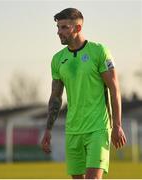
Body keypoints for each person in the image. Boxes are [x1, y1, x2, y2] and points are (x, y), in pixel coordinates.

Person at [41, 8, 127, 179]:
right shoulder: (58, 60)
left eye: (64, 27)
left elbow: (114, 88)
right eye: (58, 28)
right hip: (73, 130)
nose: (59, 32)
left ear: (78, 28)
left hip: (98, 128)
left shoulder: (99, 51)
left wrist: (117, 125)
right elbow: (56, 97)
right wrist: (48, 129)